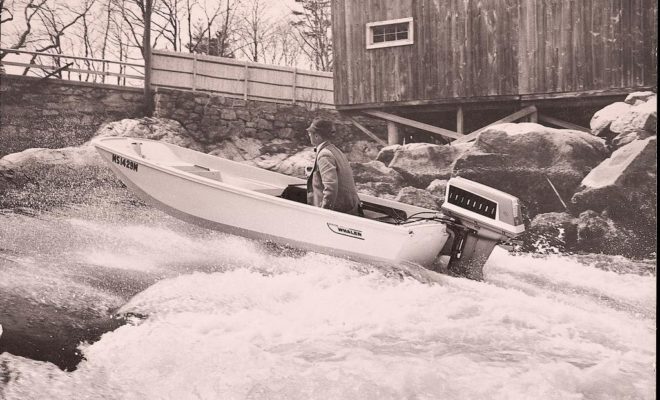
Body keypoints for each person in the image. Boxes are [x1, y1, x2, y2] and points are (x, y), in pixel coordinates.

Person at [305, 117, 361, 215]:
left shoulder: (324, 155)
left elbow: (330, 188)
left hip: (338, 213)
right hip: (349, 208)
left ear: (317, 136)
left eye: (310, 133)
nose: (309, 135)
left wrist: (324, 213)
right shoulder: (335, 150)